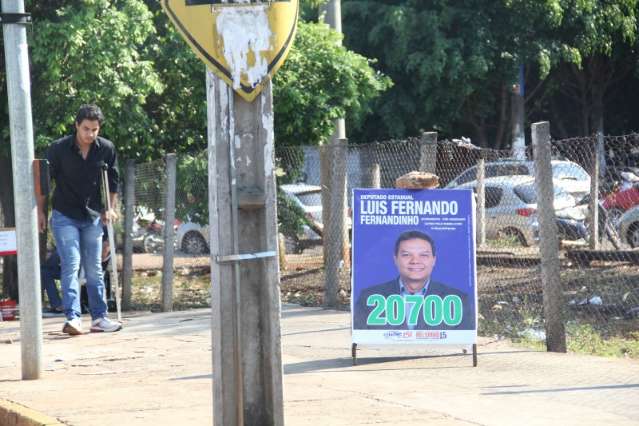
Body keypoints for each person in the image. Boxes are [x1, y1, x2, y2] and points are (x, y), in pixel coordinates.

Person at [37, 104, 122, 335]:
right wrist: (41, 212)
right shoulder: (59, 149)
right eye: (86, 129)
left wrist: (109, 208)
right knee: (72, 264)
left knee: (94, 268)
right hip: (65, 215)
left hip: (93, 216)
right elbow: (44, 183)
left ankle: (99, 318)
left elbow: (113, 181)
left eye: (95, 130)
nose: (90, 134)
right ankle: (73, 318)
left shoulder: (105, 149)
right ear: (76, 125)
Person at [353, 230, 474, 330]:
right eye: (406, 255)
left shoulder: (458, 300)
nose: (415, 261)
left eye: (423, 255)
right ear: (395, 259)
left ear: (434, 260)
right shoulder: (368, 298)